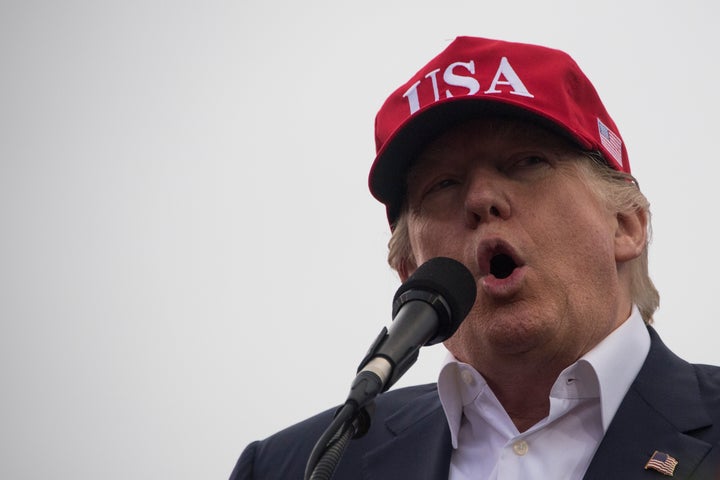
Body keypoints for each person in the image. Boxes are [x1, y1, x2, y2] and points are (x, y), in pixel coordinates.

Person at [231, 36, 720, 479]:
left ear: (625, 224)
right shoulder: (293, 467)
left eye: (527, 162)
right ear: (410, 270)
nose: (482, 199)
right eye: (443, 185)